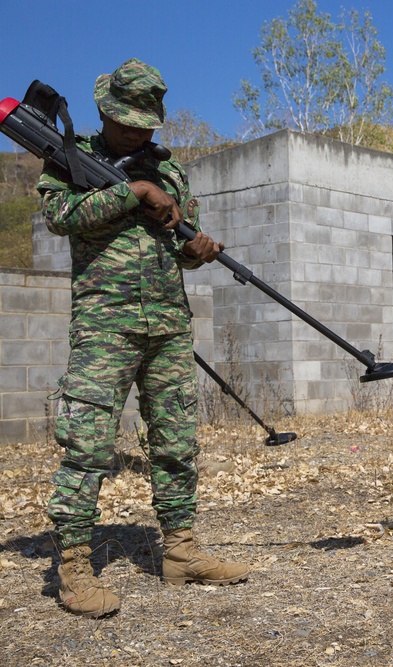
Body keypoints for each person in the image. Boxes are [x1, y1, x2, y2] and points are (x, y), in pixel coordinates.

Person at [39, 58, 248, 619]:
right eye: (125, 121)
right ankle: (75, 566)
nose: (136, 131)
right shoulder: (69, 157)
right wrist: (132, 192)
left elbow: (177, 244)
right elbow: (62, 216)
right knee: (87, 444)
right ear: (104, 112)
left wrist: (196, 251)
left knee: (177, 440)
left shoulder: (172, 171)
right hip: (105, 325)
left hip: (168, 322)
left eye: (145, 124)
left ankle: (180, 551)